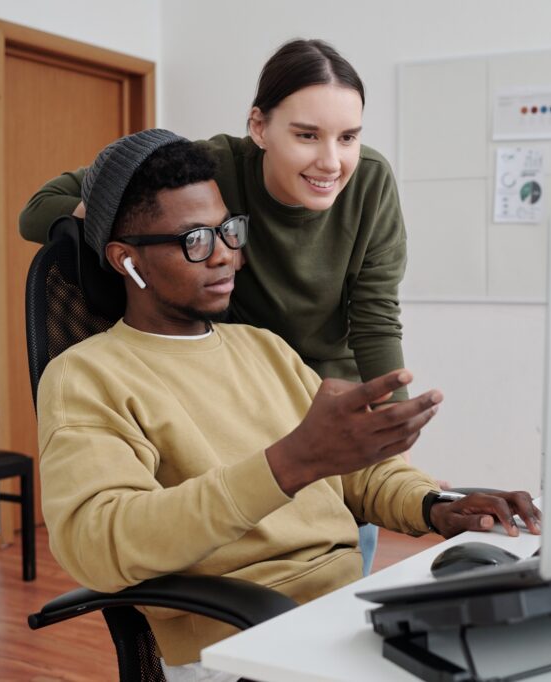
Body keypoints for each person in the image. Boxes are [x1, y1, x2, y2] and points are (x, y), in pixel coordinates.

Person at [37, 129, 541, 680]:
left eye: (229, 231)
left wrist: (436, 504)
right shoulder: (86, 376)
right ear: (126, 260)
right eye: (195, 241)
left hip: (349, 610)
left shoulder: (264, 347)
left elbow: (358, 477)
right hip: (239, 644)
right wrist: (289, 464)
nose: (227, 255)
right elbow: (100, 543)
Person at [20, 39, 413, 574]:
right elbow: (38, 210)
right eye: (305, 135)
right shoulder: (206, 169)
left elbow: (374, 317)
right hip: (224, 403)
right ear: (259, 128)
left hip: (299, 385)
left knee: (340, 553)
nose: (331, 160)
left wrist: (408, 459)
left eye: (348, 137)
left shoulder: (366, 184)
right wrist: (109, 220)